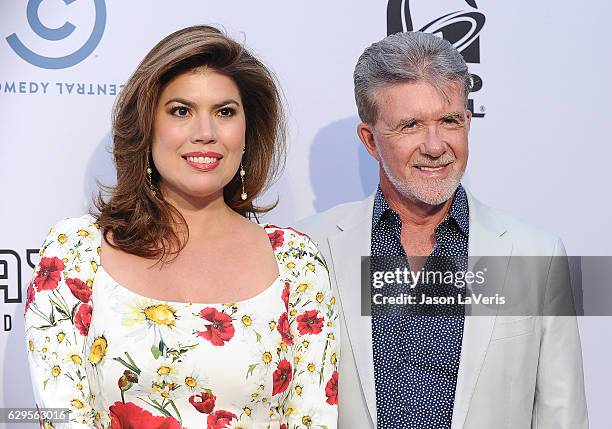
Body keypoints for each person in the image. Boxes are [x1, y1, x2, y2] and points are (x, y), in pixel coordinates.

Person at [24, 25, 339, 429]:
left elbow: (312, 418)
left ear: (247, 130)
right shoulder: (75, 252)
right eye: (180, 111)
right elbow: (61, 416)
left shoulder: (296, 262)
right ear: (146, 126)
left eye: (225, 112)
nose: (205, 134)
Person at [297, 31, 587, 428]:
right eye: (410, 125)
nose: (435, 146)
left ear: (468, 122)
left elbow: (562, 413)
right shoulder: (308, 249)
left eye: (449, 121)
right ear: (369, 140)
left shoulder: (535, 252)